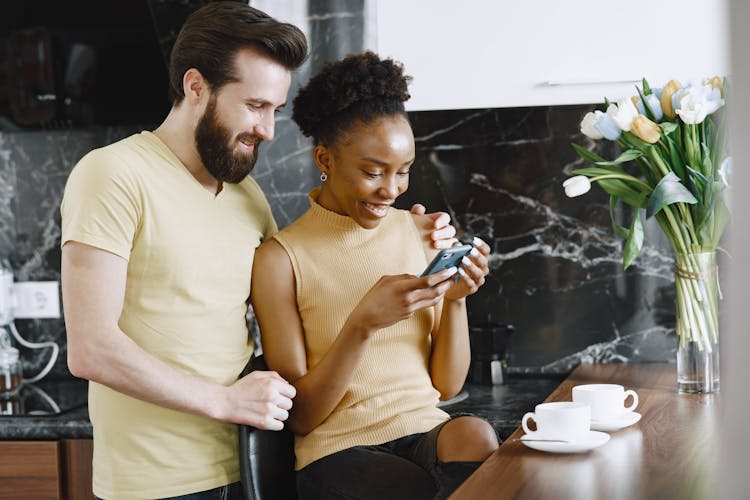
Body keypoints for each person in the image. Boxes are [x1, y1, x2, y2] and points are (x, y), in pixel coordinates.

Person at [59, 3, 456, 499]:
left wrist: (403, 233)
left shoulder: (246, 196)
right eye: (254, 106)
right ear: (195, 86)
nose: (268, 129)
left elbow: (308, 290)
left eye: (275, 109)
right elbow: (92, 349)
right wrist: (226, 403)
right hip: (157, 484)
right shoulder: (113, 175)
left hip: (250, 469)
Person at [251, 52, 500, 500]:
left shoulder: (424, 233)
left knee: (476, 437)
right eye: (372, 172)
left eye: (403, 171)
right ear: (324, 158)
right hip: (337, 451)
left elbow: (447, 385)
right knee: (412, 488)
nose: (391, 189)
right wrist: (363, 324)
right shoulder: (280, 260)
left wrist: (458, 299)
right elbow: (303, 415)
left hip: (424, 431)